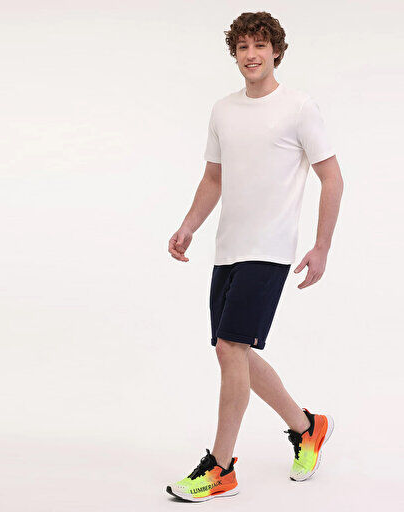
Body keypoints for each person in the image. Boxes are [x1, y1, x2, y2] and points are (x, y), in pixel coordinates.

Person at [166, 11, 344, 502]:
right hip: (229, 248)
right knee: (235, 351)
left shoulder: (299, 107)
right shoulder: (223, 110)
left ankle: (221, 468)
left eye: (260, 45)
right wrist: (188, 226)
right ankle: (307, 427)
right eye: (243, 46)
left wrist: (322, 246)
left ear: (276, 51)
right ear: (235, 54)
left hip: (270, 248)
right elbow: (214, 178)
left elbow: (332, 177)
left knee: (230, 348)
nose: (251, 55)